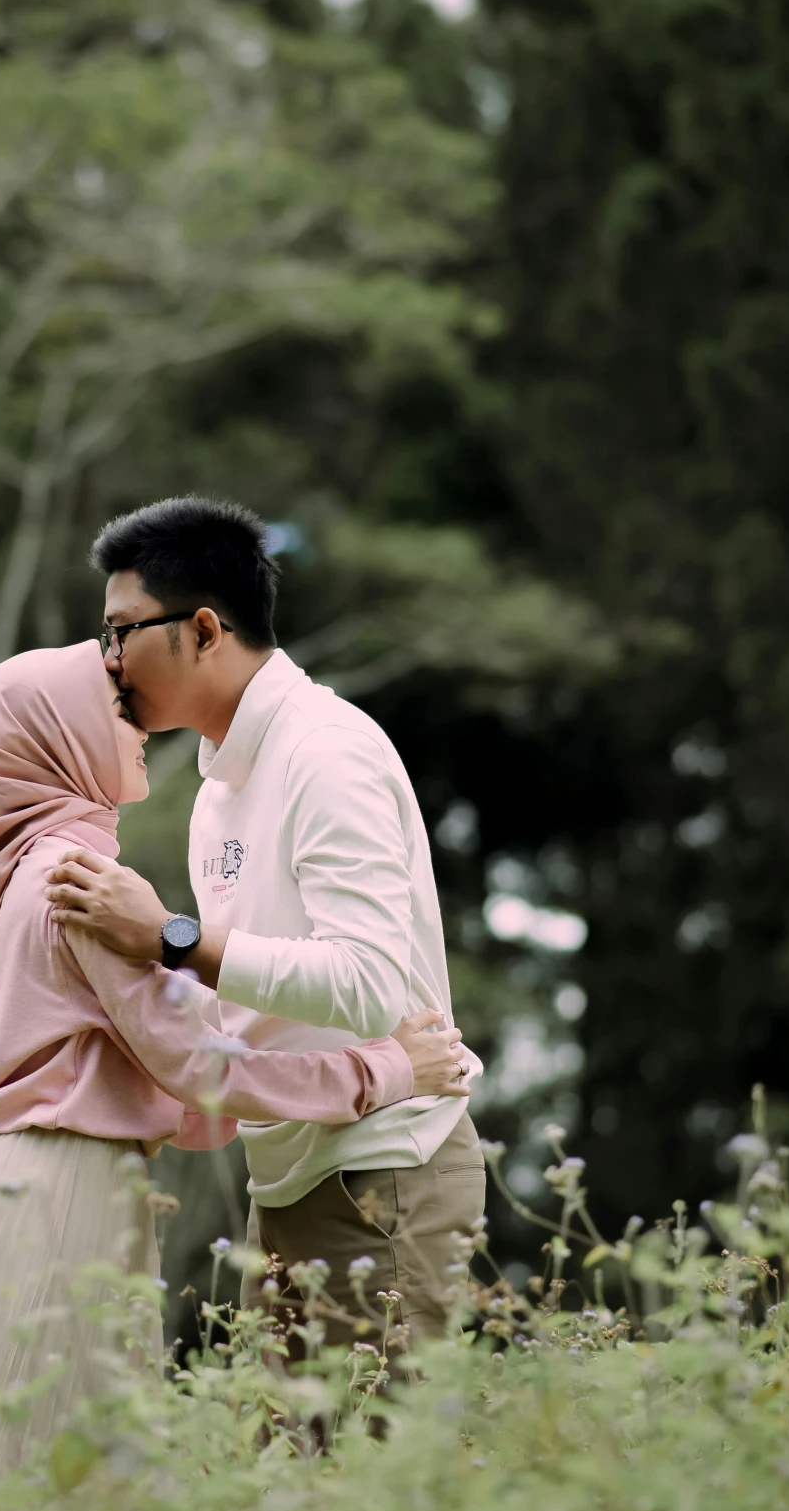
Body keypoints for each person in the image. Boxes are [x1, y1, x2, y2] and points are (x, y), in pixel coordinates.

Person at [0, 641, 468, 1511]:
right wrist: (384, 1068)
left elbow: (173, 1053)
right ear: (56, 740)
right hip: (56, 1192)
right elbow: (200, 1066)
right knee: (58, 1478)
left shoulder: (24, 878)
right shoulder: (77, 882)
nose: (141, 716)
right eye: (115, 708)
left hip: (4, 1188)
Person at [48, 496, 486, 1354]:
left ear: (205, 630)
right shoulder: (218, 789)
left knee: (370, 1473)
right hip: (287, 1174)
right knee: (286, 1472)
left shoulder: (327, 752)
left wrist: (173, 937)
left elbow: (367, 985)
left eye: (124, 630)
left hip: (382, 1165)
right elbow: (248, 1004)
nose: (107, 662)